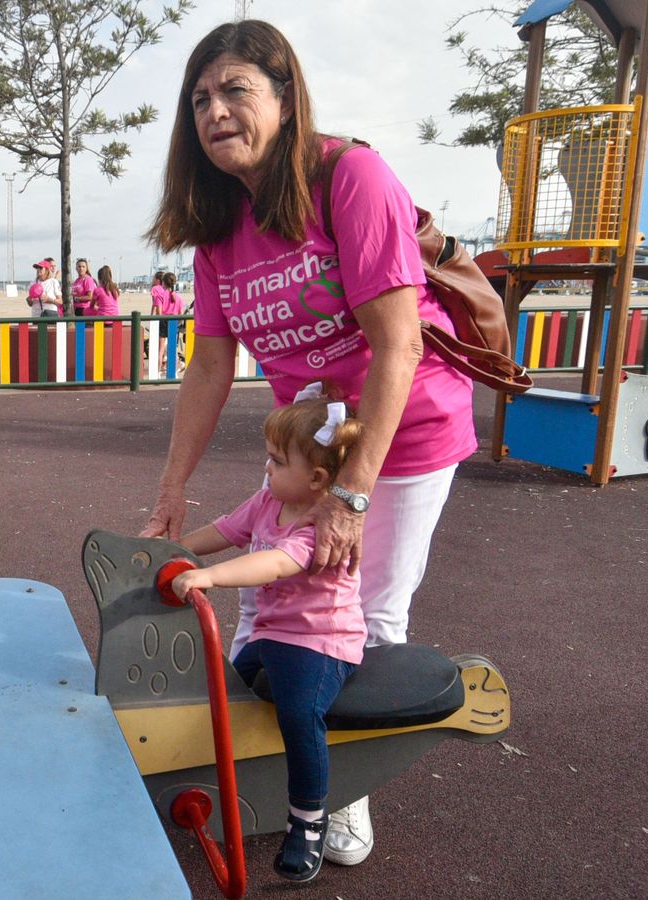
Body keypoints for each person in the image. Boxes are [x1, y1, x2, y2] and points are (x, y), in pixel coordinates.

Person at [142, 19, 476, 869]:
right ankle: (288, 754)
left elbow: (398, 344)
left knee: (362, 615)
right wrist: (172, 489)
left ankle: (341, 797)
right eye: (200, 100)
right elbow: (211, 363)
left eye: (235, 90)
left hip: (403, 428)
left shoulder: (349, 176)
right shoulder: (219, 224)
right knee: (267, 608)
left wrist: (353, 494)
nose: (214, 111)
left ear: (285, 99)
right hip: (313, 436)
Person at [171, 391, 365, 882]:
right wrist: (170, 550)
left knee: (300, 714)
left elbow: (274, 563)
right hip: (272, 635)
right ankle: (228, 777)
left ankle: (307, 822)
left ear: (318, 480)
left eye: (277, 462)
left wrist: (209, 577)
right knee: (230, 691)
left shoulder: (319, 525)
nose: (267, 467)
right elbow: (225, 530)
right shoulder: (268, 500)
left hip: (320, 642)